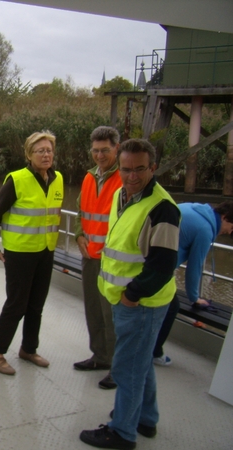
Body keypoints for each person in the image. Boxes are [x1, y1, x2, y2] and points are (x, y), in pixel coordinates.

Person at [80, 139, 181, 449]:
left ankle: (122, 432)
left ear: (152, 167)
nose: (132, 175)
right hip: (122, 297)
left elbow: (163, 266)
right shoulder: (122, 196)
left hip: (141, 303)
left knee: (127, 366)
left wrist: (132, 295)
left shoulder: (162, 208)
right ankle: (146, 419)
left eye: (140, 169)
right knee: (140, 362)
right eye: (126, 169)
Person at [0, 130, 63, 375]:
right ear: (29, 155)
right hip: (19, 252)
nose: (46, 154)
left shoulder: (58, 178)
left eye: (49, 150)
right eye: (40, 150)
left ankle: (28, 349)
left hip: (46, 250)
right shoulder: (16, 180)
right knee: (16, 304)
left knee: (36, 305)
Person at [153, 201, 233, 366]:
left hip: (147, 257)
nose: (230, 231)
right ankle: (154, 352)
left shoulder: (196, 208)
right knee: (172, 306)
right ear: (225, 217)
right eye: (232, 226)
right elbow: (194, 267)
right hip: (155, 267)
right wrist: (194, 298)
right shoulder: (205, 230)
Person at [73, 126, 121, 390]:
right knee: (93, 310)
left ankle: (117, 366)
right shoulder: (89, 177)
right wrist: (79, 234)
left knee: (111, 316)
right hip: (89, 256)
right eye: (95, 150)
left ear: (116, 148)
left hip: (114, 261)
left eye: (105, 150)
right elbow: (81, 210)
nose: (100, 155)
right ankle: (100, 357)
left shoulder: (125, 179)